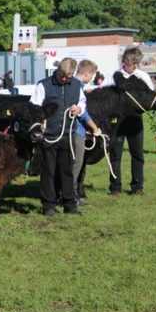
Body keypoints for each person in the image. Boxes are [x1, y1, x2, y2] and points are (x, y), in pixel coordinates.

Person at [31, 57, 85, 216]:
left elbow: (83, 102)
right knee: (48, 171)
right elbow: (34, 106)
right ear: (58, 71)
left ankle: (70, 204)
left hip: (67, 135)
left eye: (67, 77)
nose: (64, 79)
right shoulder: (44, 84)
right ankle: (48, 206)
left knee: (67, 170)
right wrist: (40, 123)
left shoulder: (76, 85)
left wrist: (79, 109)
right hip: (49, 136)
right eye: (62, 75)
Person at [103, 47, 155, 196]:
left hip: (135, 120)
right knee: (115, 155)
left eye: (136, 64)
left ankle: (137, 187)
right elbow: (104, 94)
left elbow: (149, 96)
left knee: (137, 155)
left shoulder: (142, 76)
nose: (134, 67)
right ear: (124, 62)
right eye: (132, 63)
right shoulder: (113, 75)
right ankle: (115, 187)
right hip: (117, 121)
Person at [71, 60, 102, 204]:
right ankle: (70, 196)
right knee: (76, 164)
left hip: (68, 130)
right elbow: (82, 113)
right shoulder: (77, 87)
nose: (92, 78)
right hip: (76, 130)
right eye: (92, 75)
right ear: (87, 73)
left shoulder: (73, 85)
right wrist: (94, 128)